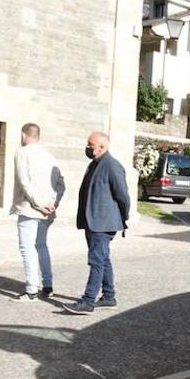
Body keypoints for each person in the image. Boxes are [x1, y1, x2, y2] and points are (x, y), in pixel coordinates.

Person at [65, 131, 131, 315]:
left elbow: (123, 196)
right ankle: (109, 296)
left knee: (96, 261)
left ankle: (88, 301)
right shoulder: (94, 164)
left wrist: (123, 217)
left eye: (90, 144)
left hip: (104, 223)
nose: (87, 147)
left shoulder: (112, 166)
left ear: (102, 147)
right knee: (103, 259)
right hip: (93, 222)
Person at [11, 123, 59, 301]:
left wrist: (38, 204)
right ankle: (47, 285)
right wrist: (52, 203)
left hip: (30, 208)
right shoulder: (49, 155)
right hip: (47, 209)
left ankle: (31, 289)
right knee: (41, 245)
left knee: (27, 247)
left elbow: (24, 182)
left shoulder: (22, 152)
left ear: (24, 135)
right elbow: (59, 183)